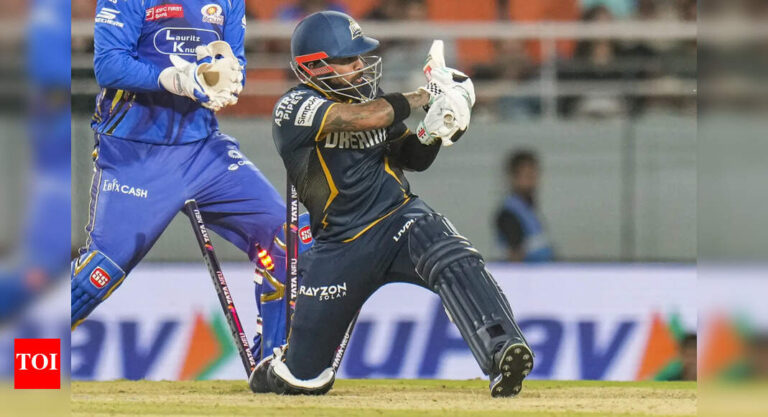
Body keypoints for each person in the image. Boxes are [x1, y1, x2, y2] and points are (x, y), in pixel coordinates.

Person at [249, 11, 533, 398]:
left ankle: (503, 353)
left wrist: (434, 129)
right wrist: (424, 95)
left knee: (453, 256)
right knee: (302, 380)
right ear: (314, 67)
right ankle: (282, 367)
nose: (360, 66)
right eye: (348, 59)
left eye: (359, 57)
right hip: (340, 244)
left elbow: (411, 158)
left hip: (399, 219)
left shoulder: (371, 97)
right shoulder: (294, 106)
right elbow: (363, 118)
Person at [70, 0, 302, 360]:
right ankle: (24, 366)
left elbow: (235, 64)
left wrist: (226, 76)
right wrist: (175, 79)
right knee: (99, 275)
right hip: (136, 153)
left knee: (287, 239)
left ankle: (273, 366)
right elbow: (109, 66)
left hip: (203, 149)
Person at [495, 150, 554, 262]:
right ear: (514, 178)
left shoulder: (528, 210)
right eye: (527, 176)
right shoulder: (510, 214)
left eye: (534, 175)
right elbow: (515, 257)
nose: (533, 181)